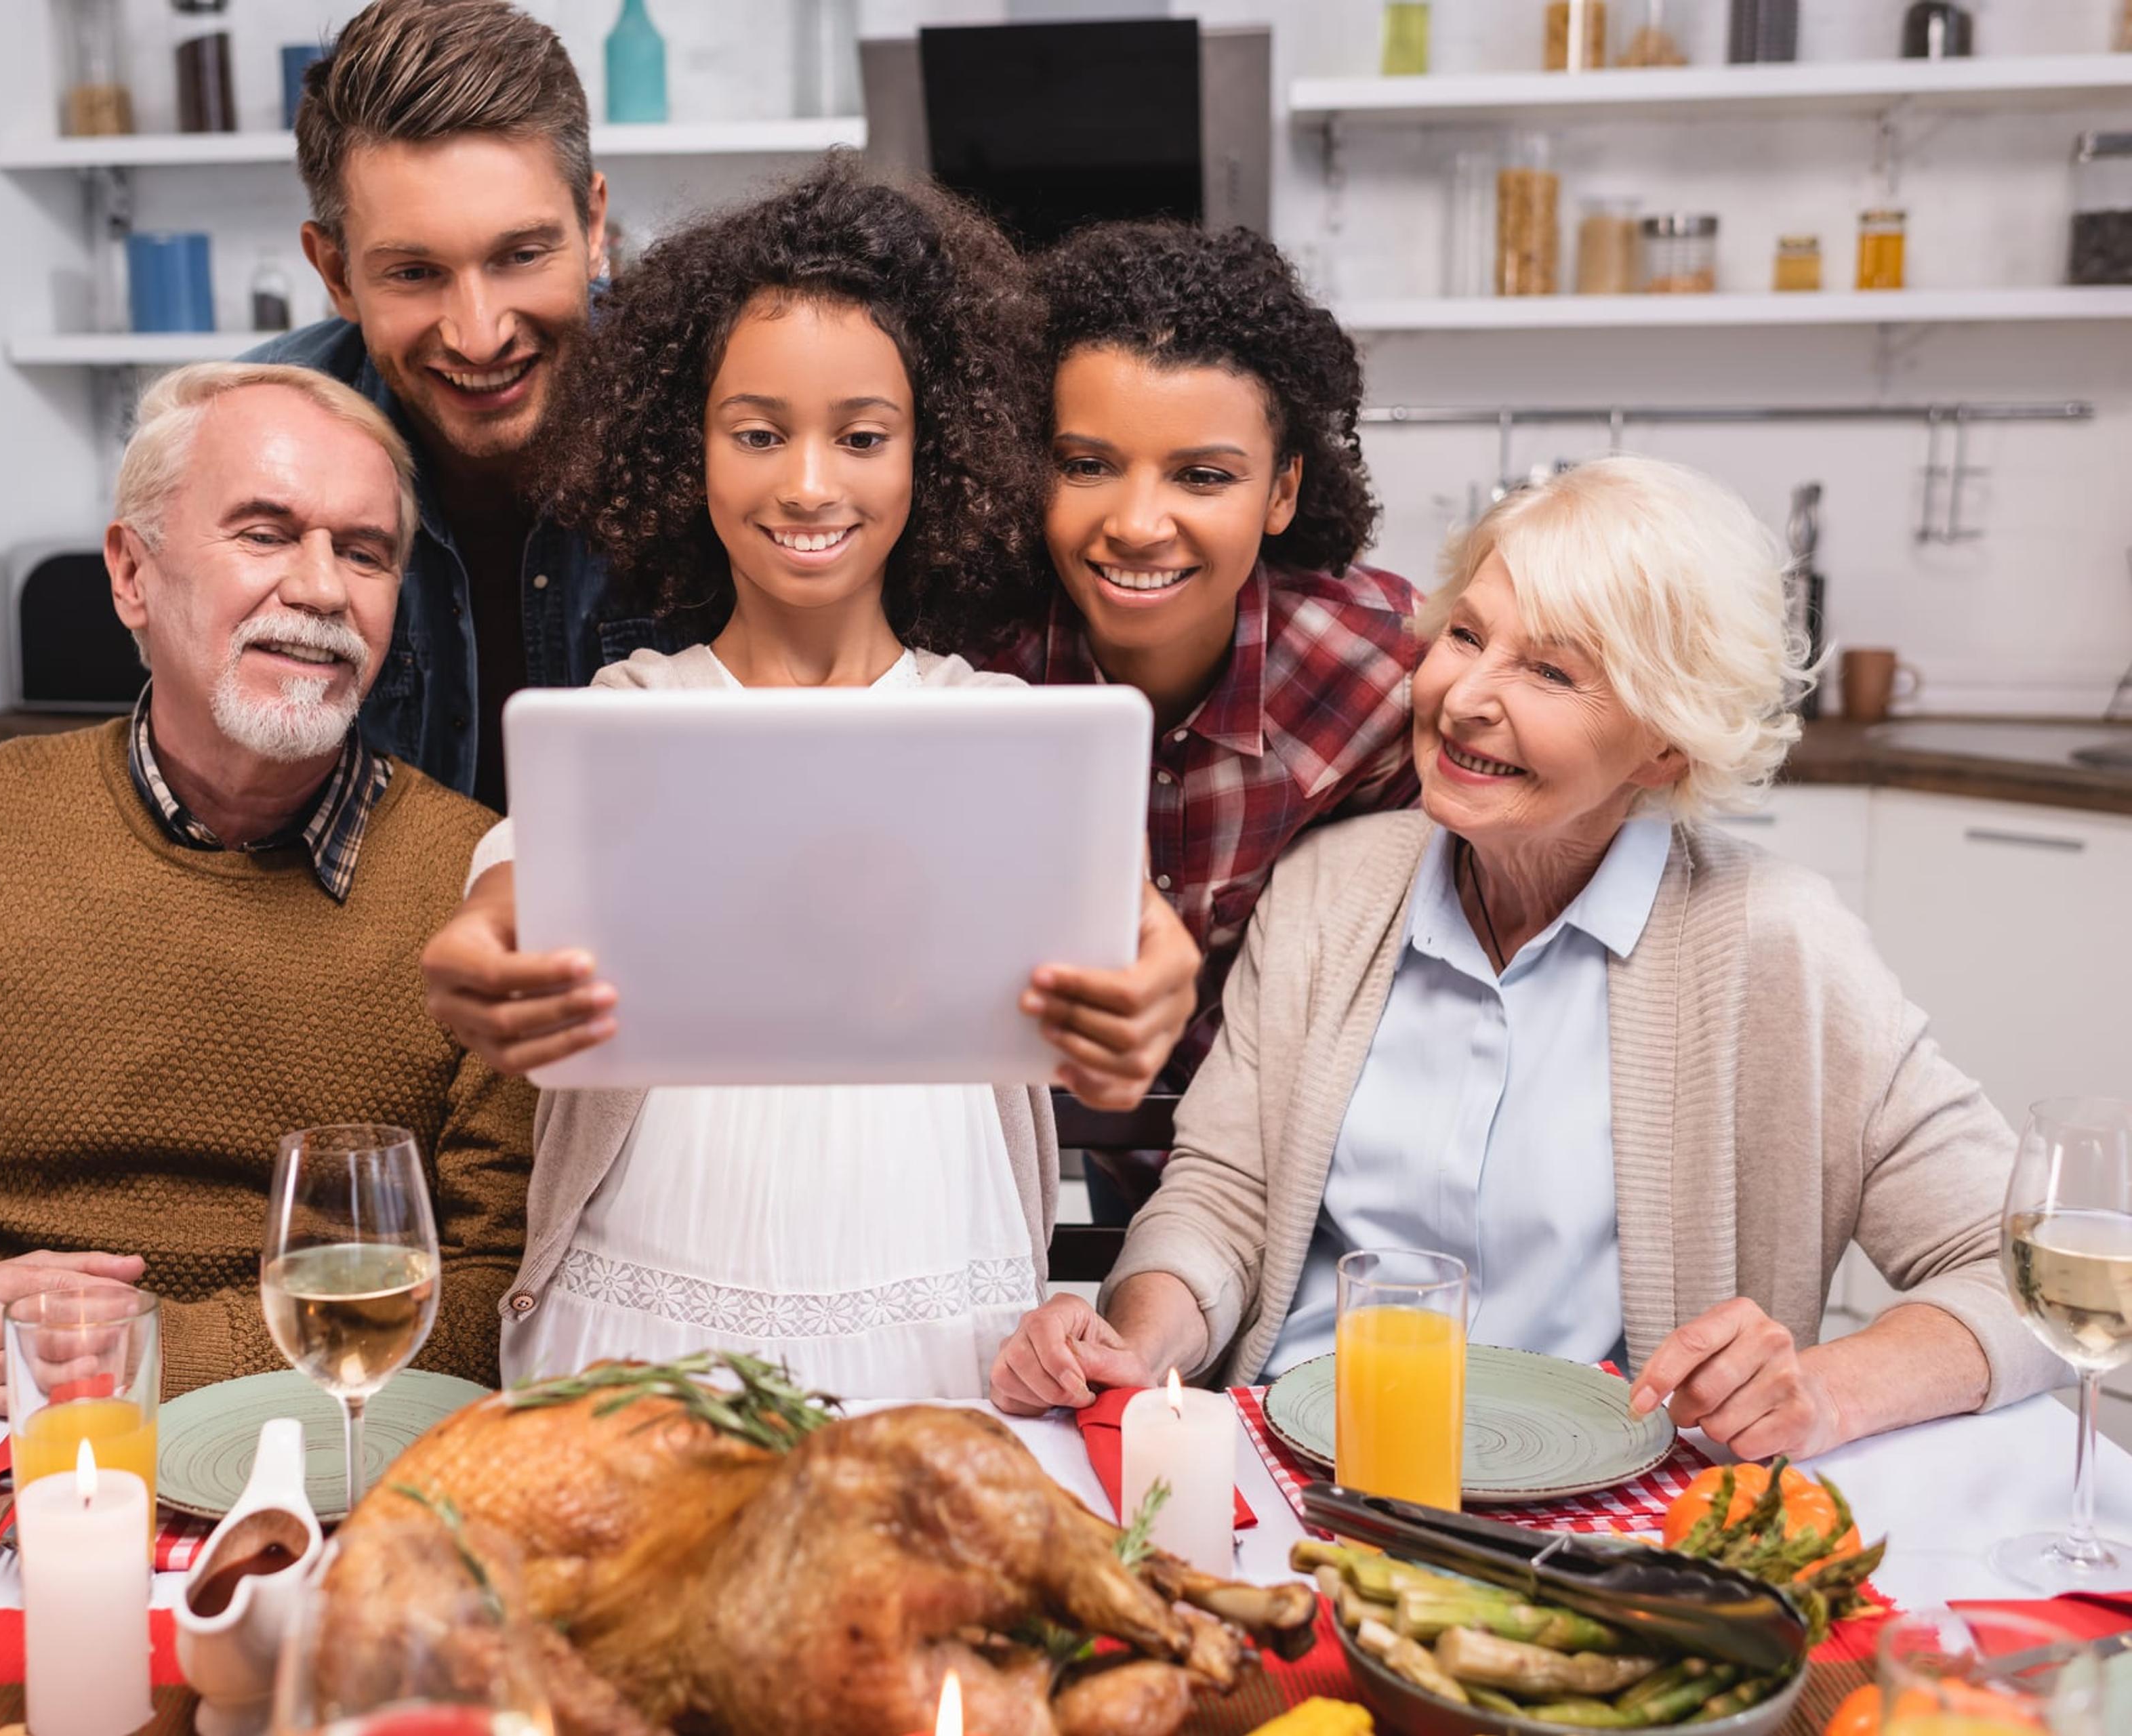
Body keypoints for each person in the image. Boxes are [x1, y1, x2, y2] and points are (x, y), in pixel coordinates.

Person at [990, 455, 2068, 1458]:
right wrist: (1141, 1339)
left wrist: (1828, 1388)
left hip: (1621, 1516)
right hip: (1301, 1468)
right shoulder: (1331, 889)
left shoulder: (1776, 946)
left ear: (1666, 744)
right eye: (1467, 636)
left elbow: (2025, 1272)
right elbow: (1221, 1197)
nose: (1466, 696)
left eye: (1549, 671)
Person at [421, 160, 1200, 1397]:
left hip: (944, 1323)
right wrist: (475, 959)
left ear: (930, 454)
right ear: (692, 451)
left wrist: (1150, 983)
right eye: (759, 433)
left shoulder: (996, 729)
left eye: (863, 436)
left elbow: (1125, 925)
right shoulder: (630, 715)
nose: (808, 483)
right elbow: (510, 897)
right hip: (639, 1326)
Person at [0, 363, 535, 1412]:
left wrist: (135, 1357)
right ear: (131, 575)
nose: (323, 588)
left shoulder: (483, 880)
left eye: (365, 553)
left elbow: (499, 1284)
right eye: (264, 533)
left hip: (337, 1441)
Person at [989, 224, 1424, 1220]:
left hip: (1329, 1194)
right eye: (1087, 464)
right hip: (1058, 1180)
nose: (1138, 523)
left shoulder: (1382, 669)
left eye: (1203, 476)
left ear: (1282, 492)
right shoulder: (970, 668)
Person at [249, 0, 653, 810]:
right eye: (413, 273)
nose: (479, 337)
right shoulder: (248, 441)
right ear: (334, 274)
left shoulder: (728, 417)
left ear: (594, 224)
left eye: (522, 255)